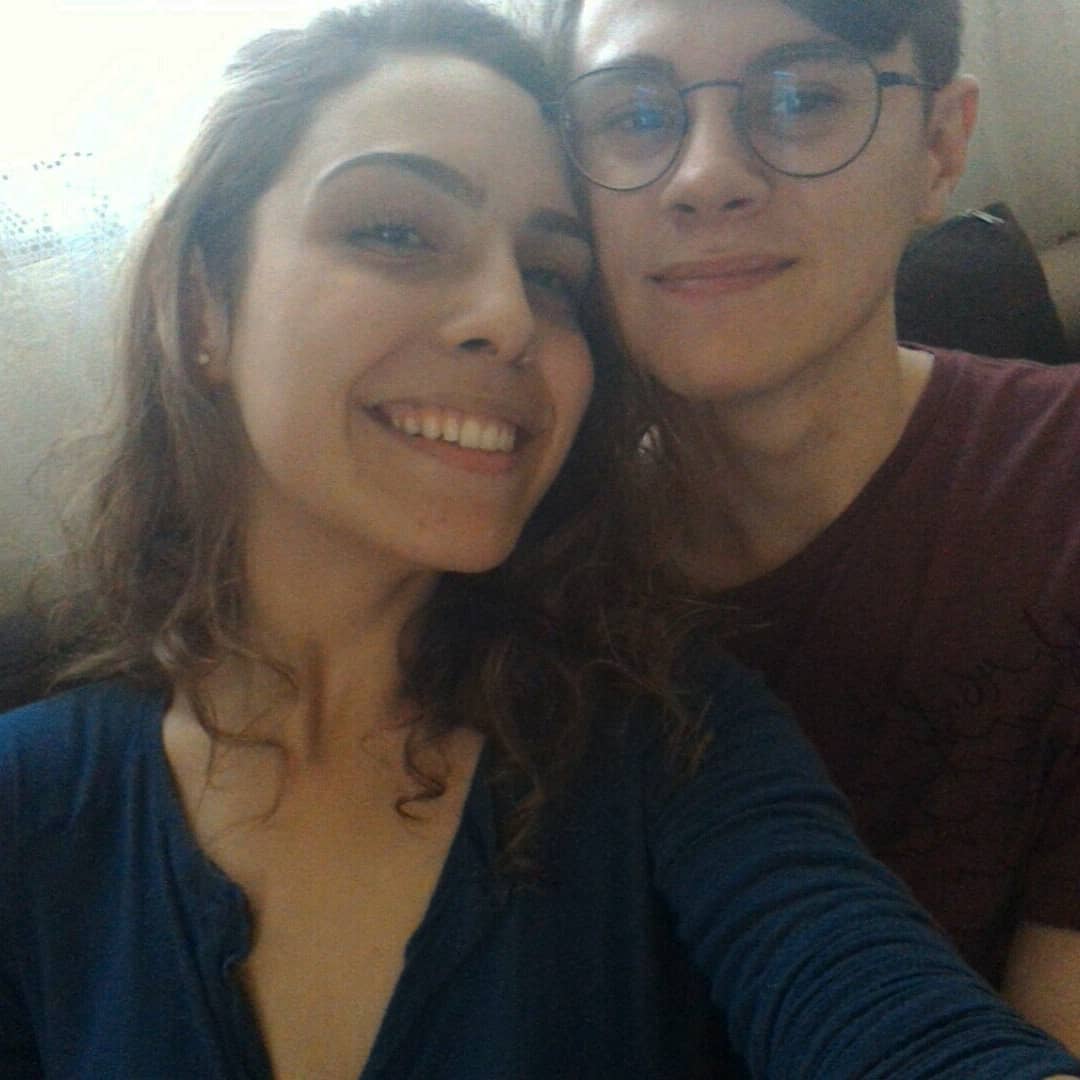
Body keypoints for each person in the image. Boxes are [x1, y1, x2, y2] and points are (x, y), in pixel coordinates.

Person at [2, 3, 1079, 1078]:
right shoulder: (38, 801)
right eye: (395, 232)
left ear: (943, 145)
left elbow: (871, 994)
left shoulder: (666, 734)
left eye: (551, 276)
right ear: (204, 306)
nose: (508, 317)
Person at [543, 0, 1080, 1051]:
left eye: (800, 99)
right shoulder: (514, 562)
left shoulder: (1059, 500)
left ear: (940, 148)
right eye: (634, 117)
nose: (706, 176)